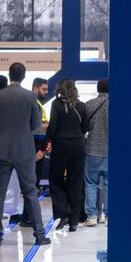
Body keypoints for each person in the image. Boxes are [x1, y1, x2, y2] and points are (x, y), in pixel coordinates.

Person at [0, 62, 48, 245]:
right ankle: (39, 234)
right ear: (24, 76)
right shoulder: (30, 97)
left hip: (1, 149)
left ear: (9, 74)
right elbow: (35, 126)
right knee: (30, 192)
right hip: (24, 150)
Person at [45, 79, 88, 231]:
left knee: (55, 179)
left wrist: (47, 143)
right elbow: (85, 128)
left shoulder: (56, 105)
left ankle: (63, 212)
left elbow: (52, 127)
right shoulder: (82, 106)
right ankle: (74, 221)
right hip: (78, 145)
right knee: (76, 182)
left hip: (61, 145)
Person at [83, 79, 110, 224]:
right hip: (110, 150)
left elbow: (84, 127)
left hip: (92, 148)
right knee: (109, 183)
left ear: (98, 88)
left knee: (91, 183)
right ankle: (107, 215)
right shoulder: (116, 104)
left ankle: (92, 216)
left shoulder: (89, 104)